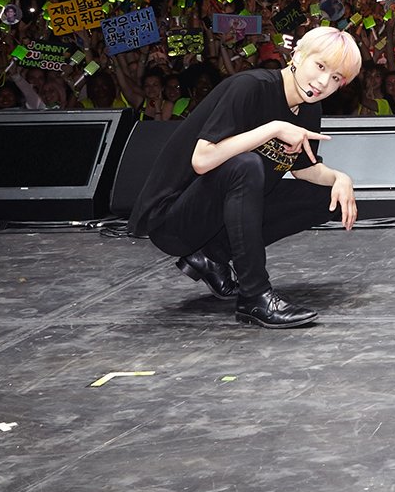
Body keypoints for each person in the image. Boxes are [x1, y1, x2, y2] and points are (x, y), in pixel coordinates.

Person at [128, 25, 364, 328]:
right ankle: (255, 296)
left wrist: (341, 179)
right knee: (246, 165)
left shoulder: (308, 107)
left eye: (336, 78)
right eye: (320, 66)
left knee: (326, 198)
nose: (323, 82)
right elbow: (202, 160)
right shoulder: (250, 87)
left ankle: (211, 256)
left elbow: (303, 168)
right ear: (297, 55)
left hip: (215, 219)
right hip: (173, 218)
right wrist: (274, 128)